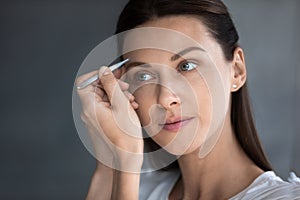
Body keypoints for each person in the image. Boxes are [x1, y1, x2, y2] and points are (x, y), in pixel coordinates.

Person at [76, 0, 300, 199]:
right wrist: (112, 163)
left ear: (237, 71)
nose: (165, 99)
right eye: (144, 76)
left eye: (186, 66)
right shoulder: (133, 188)